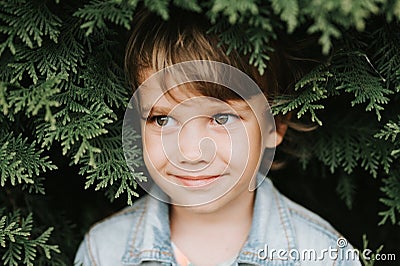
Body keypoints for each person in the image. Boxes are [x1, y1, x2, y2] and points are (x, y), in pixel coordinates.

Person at [75, 7, 361, 266]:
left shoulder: (326, 256)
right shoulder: (104, 252)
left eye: (221, 119)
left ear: (276, 126)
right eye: (162, 119)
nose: (191, 153)